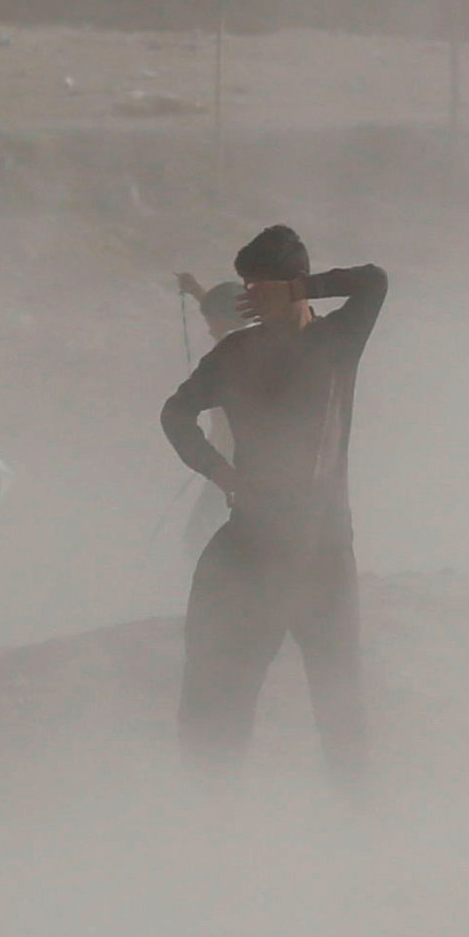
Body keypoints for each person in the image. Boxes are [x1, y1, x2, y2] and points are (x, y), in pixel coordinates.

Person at [156, 226, 388, 779]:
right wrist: (221, 473)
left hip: (324, 553)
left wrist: (302, 287)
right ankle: (210, 828)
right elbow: (175, 413)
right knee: (217, 701)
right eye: (247, 285)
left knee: (341, 708)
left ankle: (366, 830)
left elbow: (374, 283)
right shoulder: (237, 352)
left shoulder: (335, 342)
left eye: (262, 286)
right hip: (250, 547)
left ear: (293, 285)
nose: (250, 297)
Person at [170, 271, 250, 550]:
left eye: (211, 323)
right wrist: (196, 291)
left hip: (231, 466)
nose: (209, 330)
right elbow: (229, 317)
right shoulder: (244, 343)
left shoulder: (236, 355)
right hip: (226, 463)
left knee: (198, 537)